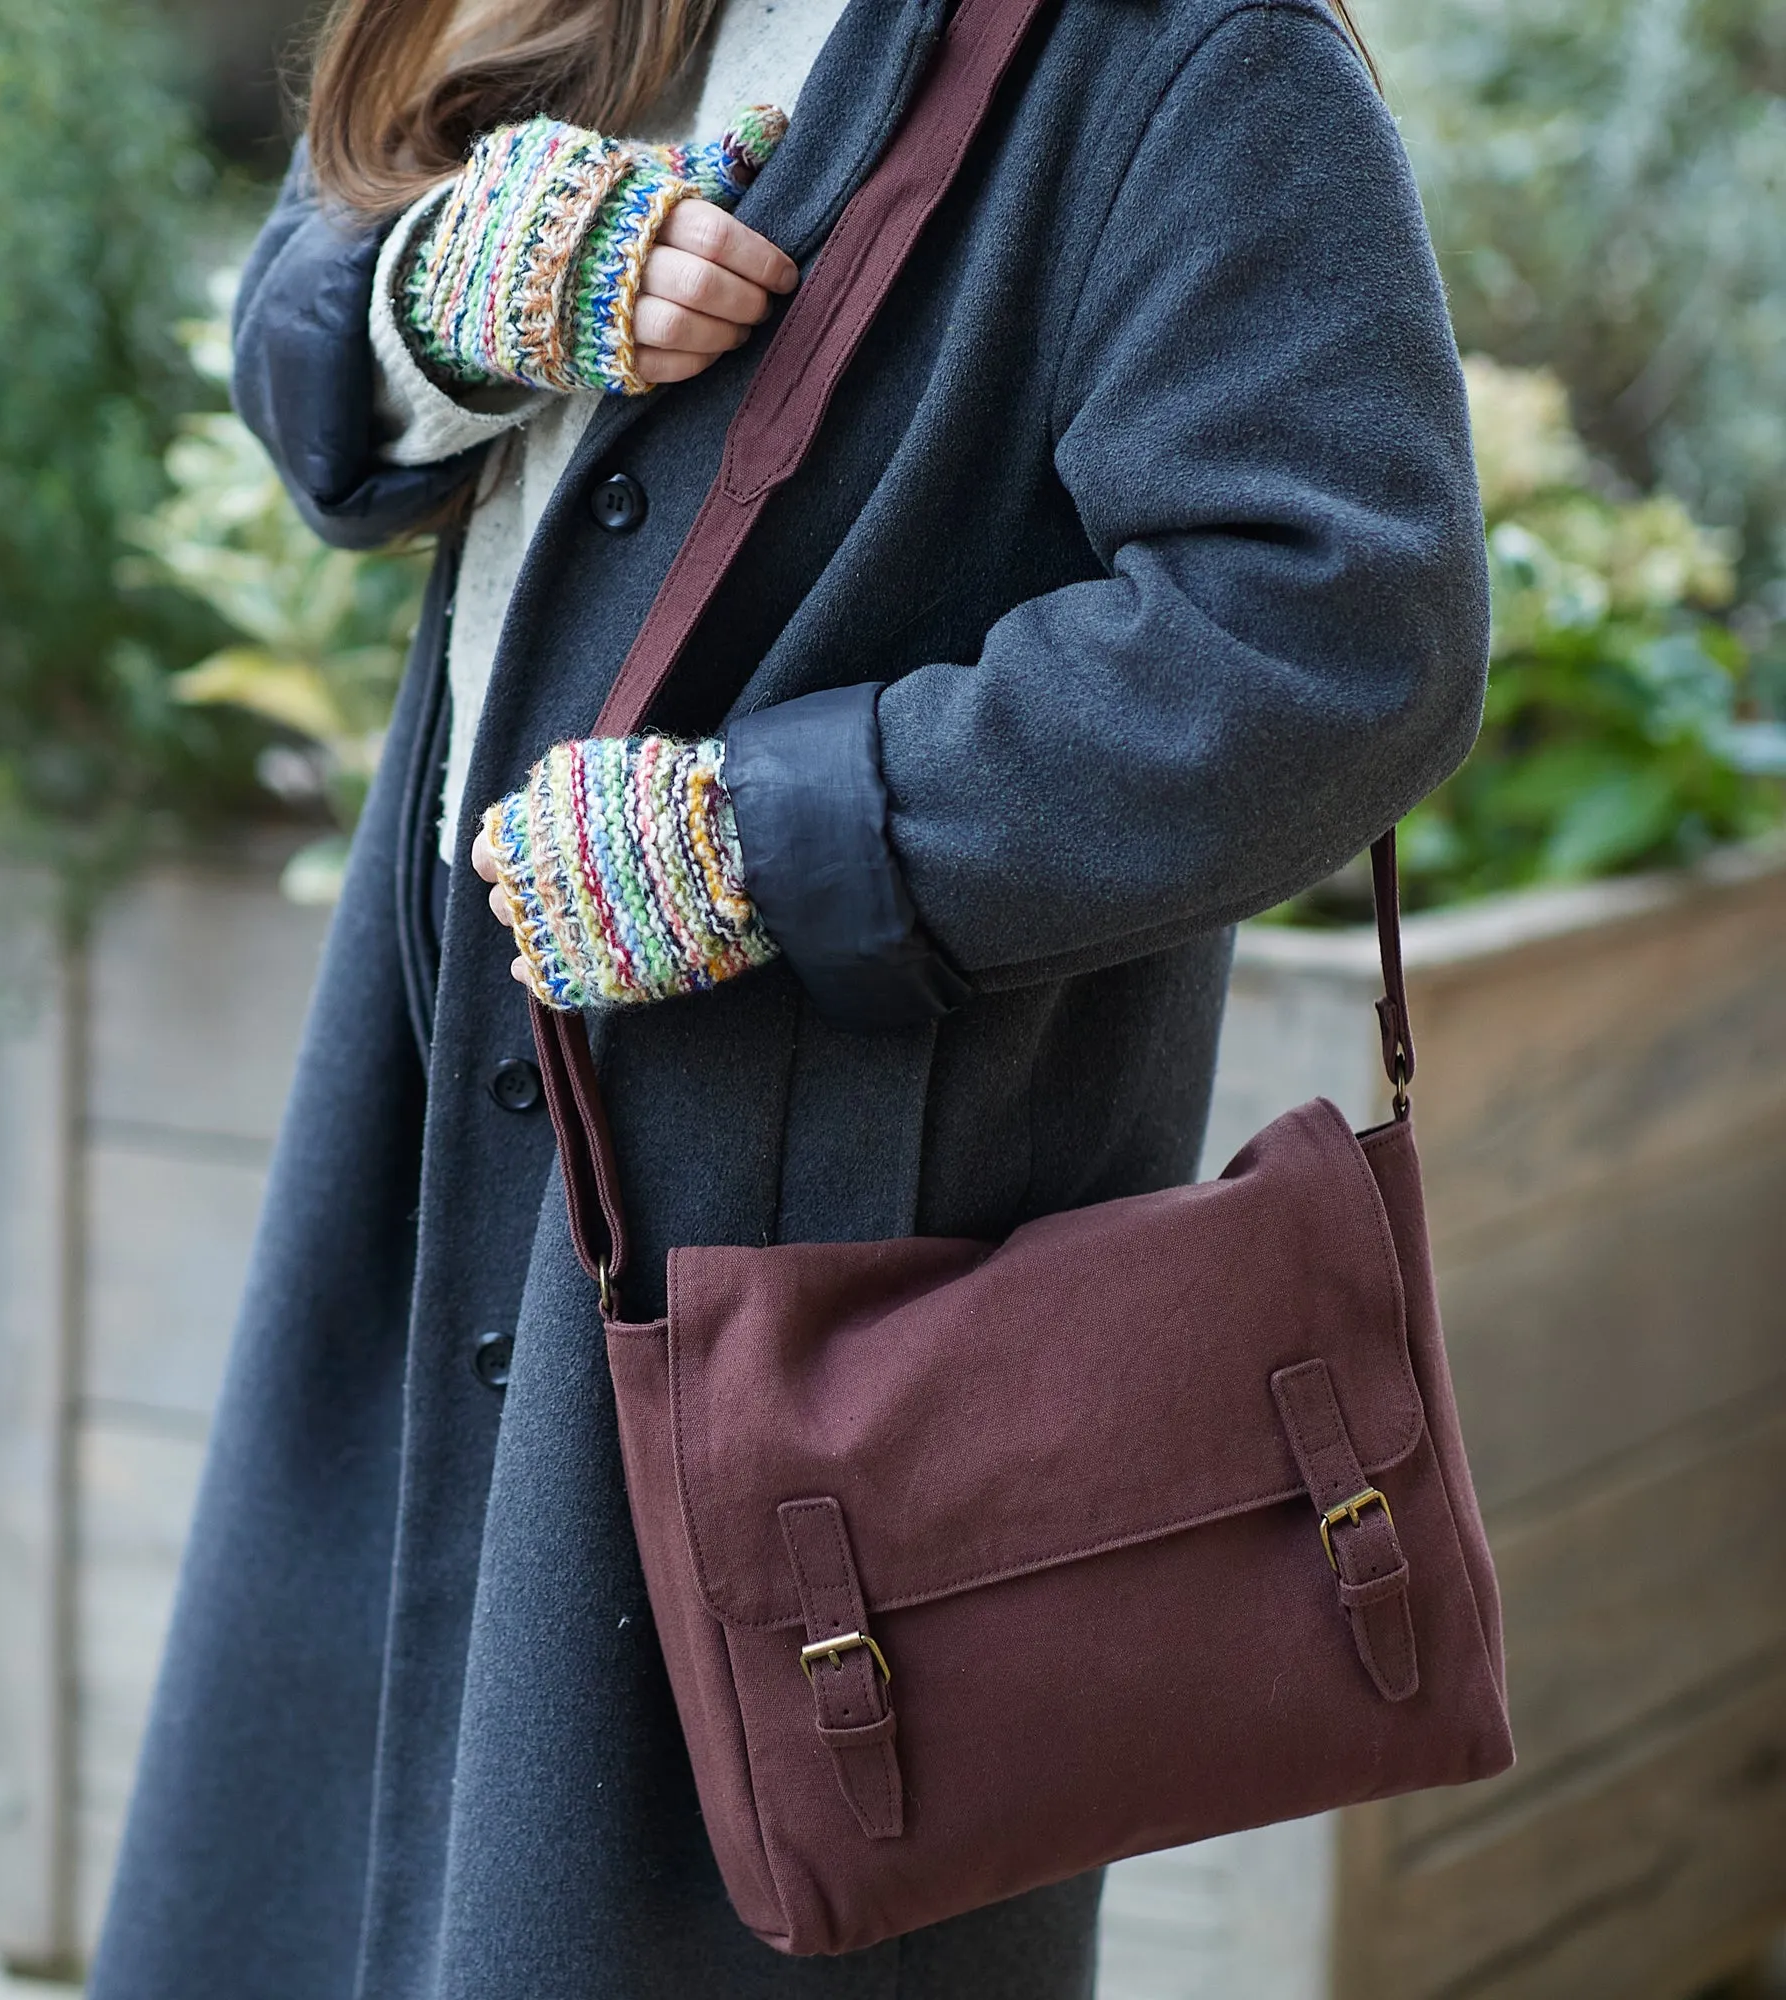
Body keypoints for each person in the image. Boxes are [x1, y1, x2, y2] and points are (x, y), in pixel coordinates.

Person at [88, 0, 1488, 1992]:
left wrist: (772, 831)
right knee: (336, 1876)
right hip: (428, 1119)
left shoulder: (1185, 51)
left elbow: (1345, 626)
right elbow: (310, 300)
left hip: (820, 1255)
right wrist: (436, 298)